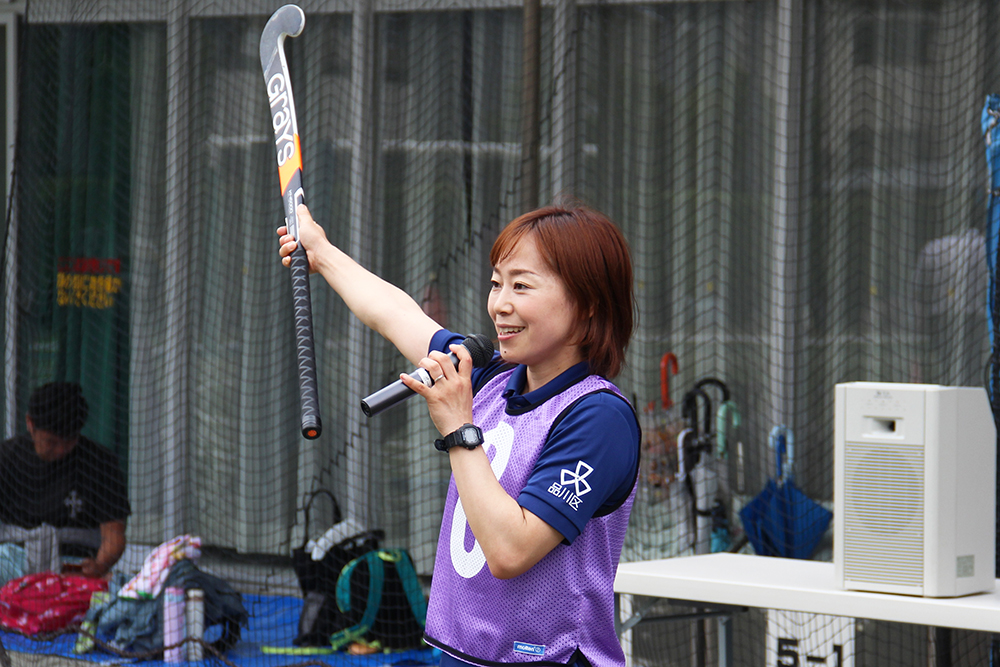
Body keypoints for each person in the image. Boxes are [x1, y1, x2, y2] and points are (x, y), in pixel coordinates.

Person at [277, 200, 640, 667]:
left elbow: (510, 551)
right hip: (460, 655)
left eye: (522, 286)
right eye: (496, 283)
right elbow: (394, 314)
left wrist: (459, 428)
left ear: (588, 302)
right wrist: (321, 252)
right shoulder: (488, 375)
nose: (500, 304)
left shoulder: (598, 416)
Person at [0, 381, 130, 579]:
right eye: (51, 442)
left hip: (75, 568)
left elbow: (114, 535)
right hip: (11, 565)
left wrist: (100, 565)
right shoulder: (5, 458)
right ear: (30, 424)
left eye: (70, 441)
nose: (61, 450)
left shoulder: (100, 462)